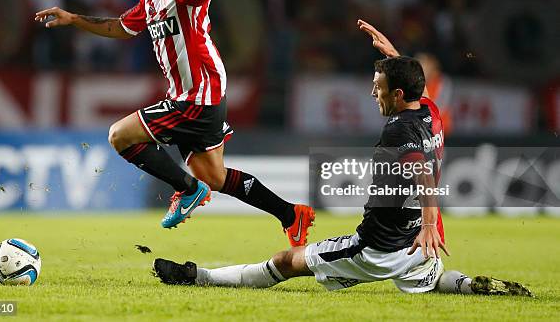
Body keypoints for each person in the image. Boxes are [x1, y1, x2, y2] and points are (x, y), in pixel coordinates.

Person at [152, 19, 533, 297]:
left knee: (286, 262)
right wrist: (394, 56)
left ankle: (198, 276)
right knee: (429, 280)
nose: (373, 94)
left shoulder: (398, 129)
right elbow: (413, 94)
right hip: (414, 245)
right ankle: (468, 285)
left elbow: (420, 170)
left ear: (398, 94)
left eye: (379, 87)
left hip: (377, 246)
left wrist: (431, 220)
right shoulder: (429, 111)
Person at [34, 0, 314, 246]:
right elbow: (121, 28)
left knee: (120, 135)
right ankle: (291, 214)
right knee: (214, 176)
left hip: (197, 94)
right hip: (200, 95)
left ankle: (187, 190)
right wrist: (74, 19)